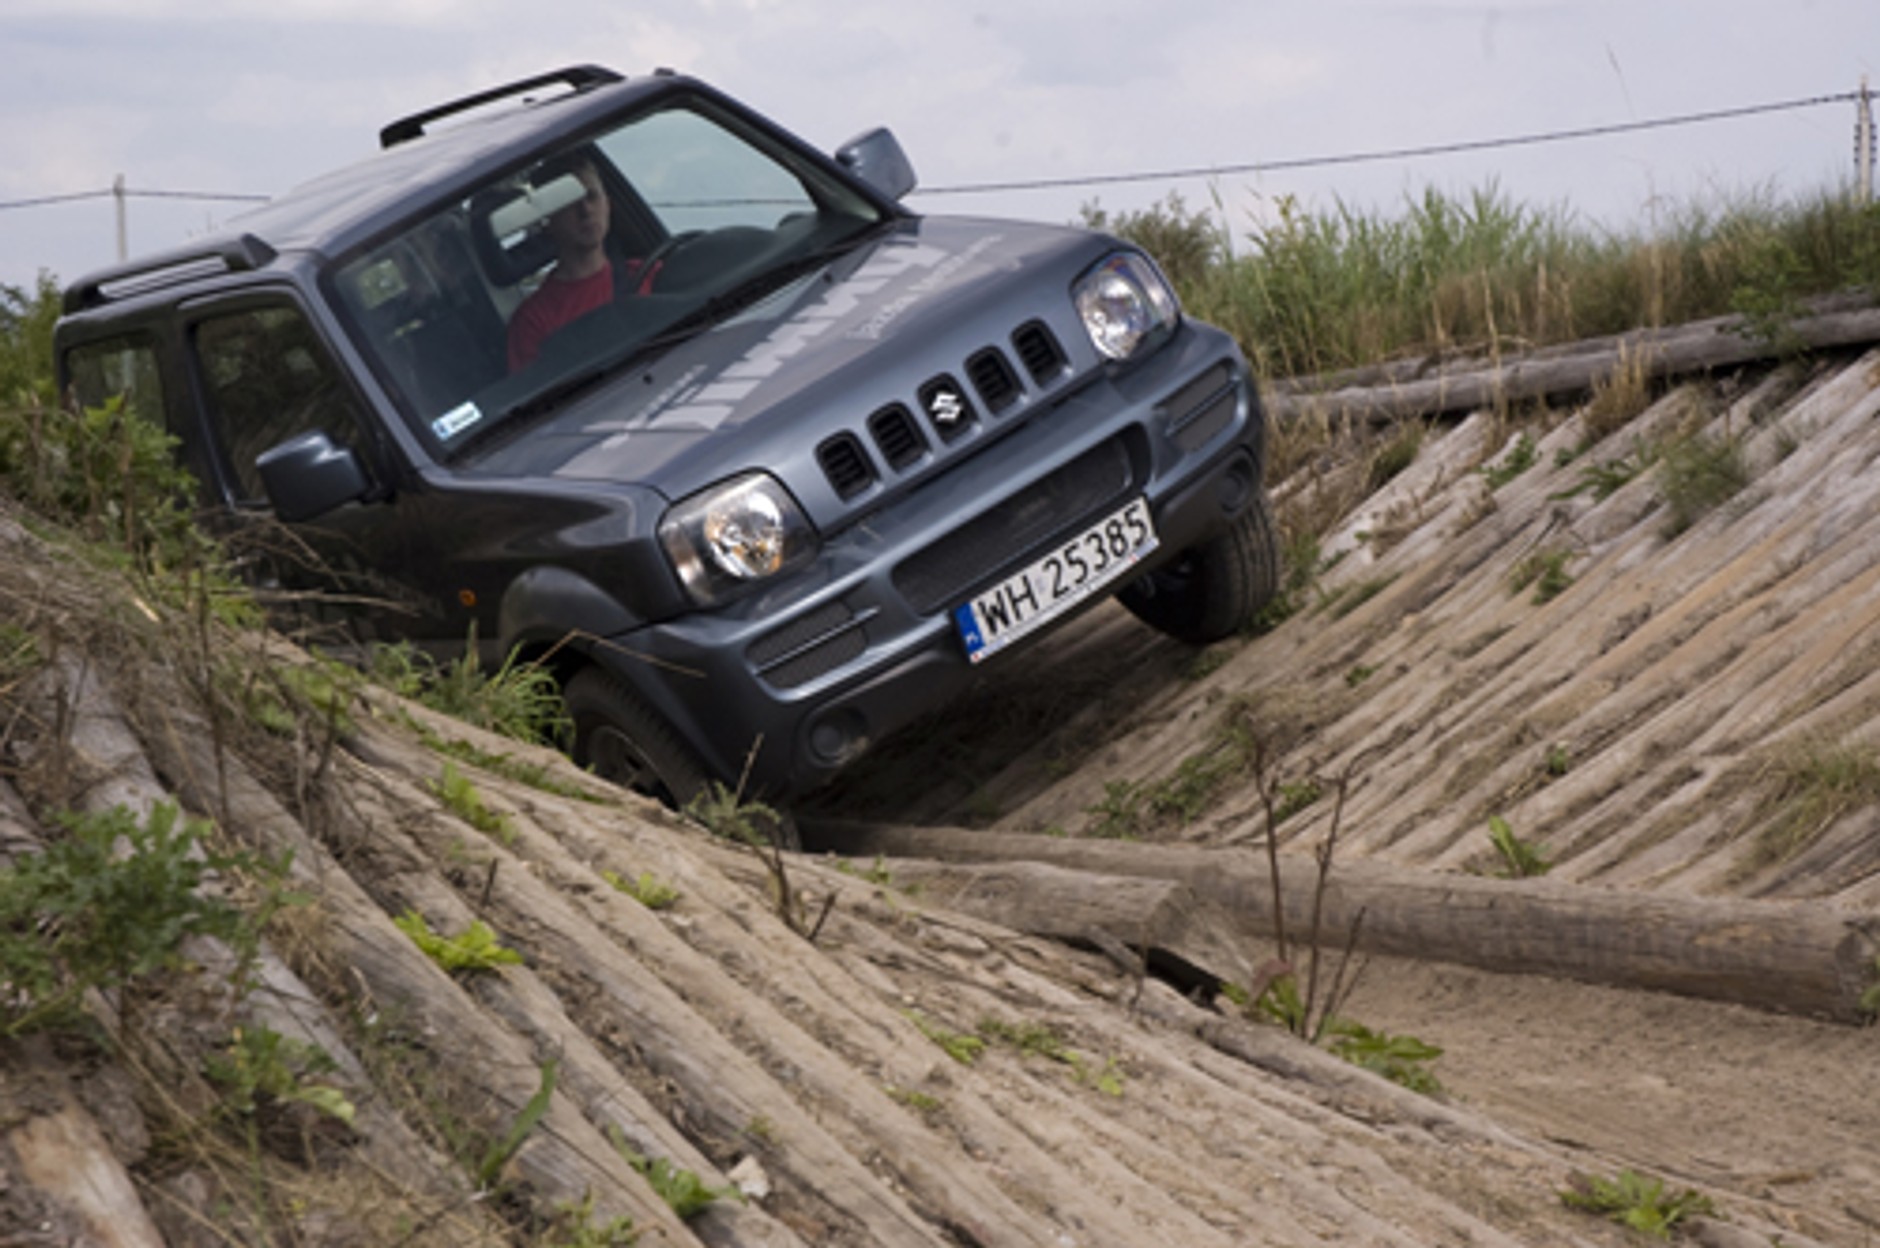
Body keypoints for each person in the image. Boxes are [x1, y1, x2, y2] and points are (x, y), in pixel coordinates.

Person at [505, 153, 618, 372]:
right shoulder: (533, 321)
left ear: (608, 204)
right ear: (548, 221)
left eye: (592, 196)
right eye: (569, 202)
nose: (586, 210)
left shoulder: (645, 273)